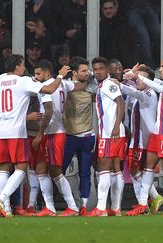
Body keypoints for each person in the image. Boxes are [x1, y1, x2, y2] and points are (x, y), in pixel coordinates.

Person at [0, 54, 70, 218]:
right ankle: (1, 198)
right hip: (16, 132)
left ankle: (7, 209)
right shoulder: (23, 80)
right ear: (17, 66)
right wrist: (60, 75)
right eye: (23, 65)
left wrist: (6, 114)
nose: (25, 68)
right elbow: (50, 89)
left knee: (4, 170)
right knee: (21, 168)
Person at [125, 56, 163, 216]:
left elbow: (159, 88)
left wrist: (138, 76)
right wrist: (133, 75)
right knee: (148, 168)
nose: (160, 69)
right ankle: (143, 204)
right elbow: (157, 84)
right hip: (157, 131)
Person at [32, 59, 87, 217]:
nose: (35, 77)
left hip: (53, 133)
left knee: (56, 171)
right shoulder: (62, 83)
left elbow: (48, 112)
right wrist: (88, 79)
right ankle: (49, 207)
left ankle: (72, 207)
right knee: (41, 169)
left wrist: (40, 134)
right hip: (53, 131)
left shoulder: (46, 87)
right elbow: (80, 86)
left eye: (38, 73)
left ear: (47, 73)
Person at [112, 65, 163, 216]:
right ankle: (148, 201)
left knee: (135, 169)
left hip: (143, 140)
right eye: (137, 77)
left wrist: (121, 84)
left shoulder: (150, 94)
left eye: (141, 78)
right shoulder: (141, 91)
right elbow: (131, 88)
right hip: (137, 138)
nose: (138, 80)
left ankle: (149, 200)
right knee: (136, 170)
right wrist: (128, 76)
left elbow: (132, 91)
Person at [86, 57, 126, 217]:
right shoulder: (102, 85)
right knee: (116, 169)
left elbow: (121, 103)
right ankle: (115, 208)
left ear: (107, 70)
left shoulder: (108, 85)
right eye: (95, 69)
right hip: (112, 132)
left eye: (101, 68)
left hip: (111, 133)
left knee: (103, 167)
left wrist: (116, 127)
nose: (97, 72)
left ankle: (101, 208)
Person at [62, 56, 95, 216]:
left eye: (87, 70)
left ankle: (83, 206)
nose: (86, 73)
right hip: (69, 136)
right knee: (58, 172)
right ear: (74, 72)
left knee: (85, 173)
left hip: (87, 135)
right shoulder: (65, 86)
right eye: (83, 70)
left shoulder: (92, 85)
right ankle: (68, 203)